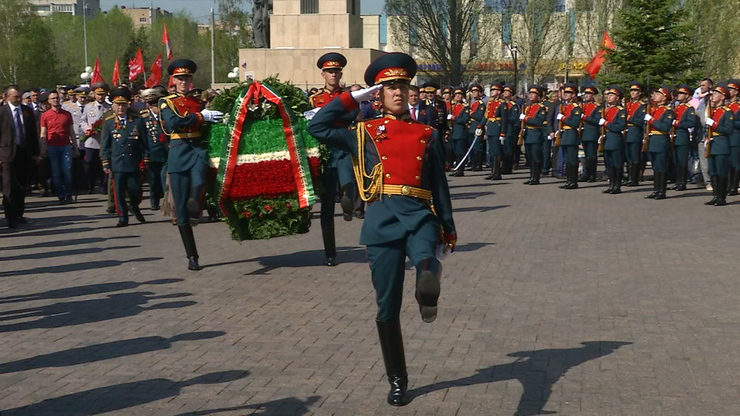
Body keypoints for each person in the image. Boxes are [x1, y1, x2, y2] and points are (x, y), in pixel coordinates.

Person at [307, 52, 456, 407]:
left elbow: (439, 184)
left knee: (425, 261)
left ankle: (427, 288)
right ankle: (398, 379)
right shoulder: (362, 133)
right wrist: (351, 97)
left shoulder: (427, 133)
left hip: (420, 213)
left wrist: (448, 227)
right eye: (390, 87)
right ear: (379, 93)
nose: (399, 92)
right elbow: (317, 127)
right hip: (382, 219)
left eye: (403, 85)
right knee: (386, 306)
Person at [160, 59, 223, 270]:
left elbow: (207, 125)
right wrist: (200, 117)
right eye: (180, 78)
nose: (184, 82)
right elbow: (172, 123)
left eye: (187, 78)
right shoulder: (166, 102)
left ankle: (197, 205)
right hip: (179, 151)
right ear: (174, 81)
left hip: (197, 149)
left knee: (198, 184)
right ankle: (192, 256)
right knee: (181, 212)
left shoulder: (198, 101)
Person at [308, 52, 357, 264]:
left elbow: (350, 115)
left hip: (343, 147)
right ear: (323, 74)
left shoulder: (347, 97)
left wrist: (325, 114)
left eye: (336, 71)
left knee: (348, 188)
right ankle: (330, 252)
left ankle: (349, 206)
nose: (333, 75)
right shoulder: (313, 99)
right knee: (326, 206)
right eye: (329, 71)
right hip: (325, 152)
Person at [101, 87, 149, 227]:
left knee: (135, 189)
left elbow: (144, 142)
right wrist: (105, 162)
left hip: (133, 161)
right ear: (113, 106)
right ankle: (123, 217)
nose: (120, 108)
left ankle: (134, 206)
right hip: (117, 163)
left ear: (128, 105)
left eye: (123, 104)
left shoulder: (137, 121)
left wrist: (146, 158)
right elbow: (105, 144)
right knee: (119, 192)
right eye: (117, 105)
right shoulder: (109, 122)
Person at [1, 85, 40, 228]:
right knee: (9, 186)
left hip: (24, 153)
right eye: (15, 97)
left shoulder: (27, 111)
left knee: (22, 186)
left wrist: (36, 153)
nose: (18, 99)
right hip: (7, 155)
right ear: (6, 97)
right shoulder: (2, 113)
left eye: (19, 96)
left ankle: (19, 214)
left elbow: (32, 134)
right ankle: (10, 217)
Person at [39, 91, 76, 204]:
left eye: (56, 98)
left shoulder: (66, 114)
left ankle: (69, 194)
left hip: (65, 146)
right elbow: (43, 133)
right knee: (56, 173)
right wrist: (42, 148)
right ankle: (60, 195)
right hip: (52, 147)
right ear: (49, 101)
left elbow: (71, 132)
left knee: (67, 171)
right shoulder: (45, 115)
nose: (55, 100)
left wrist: (75, 146)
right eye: (53, 98)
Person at [703, 84, 734, 206]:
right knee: (713, 171)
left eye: (715, 94)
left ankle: (722, 197)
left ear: (722, 97)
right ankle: (715, 196)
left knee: (721, 171)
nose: (713, 96)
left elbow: (729, 130)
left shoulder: (727, 112)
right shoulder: (713, 110)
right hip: (712, 143)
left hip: (721, 144)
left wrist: (714, 124)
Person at [140, 86, 169, 211]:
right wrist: (145, 154)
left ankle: (167, 202)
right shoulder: (144, 118)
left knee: (165, 179)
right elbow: (143, 137)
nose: (158, 109)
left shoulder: (164, 117)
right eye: (156, 106)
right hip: (151, 154)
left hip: (165, 152)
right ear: (151, 106)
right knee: (153, 180)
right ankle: (154, 201)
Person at [643, 86, 674, 200]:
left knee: (661, 167)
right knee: (655, 168)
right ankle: (656, 190)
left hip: (661, 141)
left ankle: (662, 191)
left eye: (658, 94)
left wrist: (651, 120)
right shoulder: (653, 109)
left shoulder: (668, 111)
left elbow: (665, 127)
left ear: (664, 97)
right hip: (652, 141)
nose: (654, 95)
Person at [81, 82, 111, 197]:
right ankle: (90, 185)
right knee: (89, 163)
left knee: (102, 164)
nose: (100, 97)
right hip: (91, 140)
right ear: (94, 95)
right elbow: (83, 121)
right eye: (98, 94)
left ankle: (103, 186)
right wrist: (87, 128)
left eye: (102, 94)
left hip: (103, 140)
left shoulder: (108, 107)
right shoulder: (89, 106)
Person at [600, 86, 627, 194]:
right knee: (609, 164)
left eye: (612, 95)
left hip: (615, 140)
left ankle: (617, 185)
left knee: (617, 164)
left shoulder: (620, 111)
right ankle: (611, 184)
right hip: (607, 139)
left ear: (617, 98)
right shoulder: (607, 109)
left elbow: (620, 127)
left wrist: (606, 124)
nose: (609, 97)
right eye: (608, 95)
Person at [556, 83, 583, 189]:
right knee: (567, 161)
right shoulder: (565, 107)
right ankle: (568, 181)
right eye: (565, 92)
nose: (566, 94)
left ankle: (573, 182)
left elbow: (575, 123)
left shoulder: (576, 108)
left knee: (572, 160)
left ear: (574, 95)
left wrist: (563, 119)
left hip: (572, 135)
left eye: (569, 92)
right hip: (565, 135)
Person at [671, 84, 697, 191]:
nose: (679, 95)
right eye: (679, 93)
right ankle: (678, 181)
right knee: (676, 161)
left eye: (682, 93)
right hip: (674, 136)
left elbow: (691, 123)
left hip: (682, 136)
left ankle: (682, 182)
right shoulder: (676, 107)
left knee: (682, 161)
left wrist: (677, 123)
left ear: (687, 96)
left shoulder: (689, 108)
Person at [521, 86, 548, 185]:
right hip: (528, 134)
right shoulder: (528, 107)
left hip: (536, 135)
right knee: (530, 158)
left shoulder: (541, 108)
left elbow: (538, 122)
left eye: (534, 94)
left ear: (538, 96)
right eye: (530, 93)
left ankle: (536, 178)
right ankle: (531, 176)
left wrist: (526, 119)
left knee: (536, 158)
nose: (531, 95)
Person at [624, 82, 647, 186]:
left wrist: (630, 118)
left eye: (635, 91)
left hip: (635, 133)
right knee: (628, 158)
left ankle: (635, 179)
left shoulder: (642, 106)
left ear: (640, 93)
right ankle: (629, 177)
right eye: (632, 91)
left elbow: (641, 121)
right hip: (627, 133)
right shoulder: (628, 105)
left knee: (635, 158)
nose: (633, 93)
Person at [483, 83, 505, 180]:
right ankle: (492, 171)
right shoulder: (489, 102)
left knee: (497, 152)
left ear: (499, 92)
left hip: (497, 127)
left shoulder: (502, 103)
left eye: (494, 90)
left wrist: (503, 132)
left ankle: (497, 173)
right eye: (491, 90)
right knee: (491, 151)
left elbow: (504, 119)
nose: (492, 91)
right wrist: (480, 126)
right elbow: (486, 116)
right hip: (491, 127)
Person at [581, 86, 601, 182]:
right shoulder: (582, 106)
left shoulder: (597, 107)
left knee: (592, 156)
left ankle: (592, 175)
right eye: (586, 94)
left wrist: (585, 117)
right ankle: (586, 174)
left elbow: (597, 120)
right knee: (585, 155)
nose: (587, 96)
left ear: (593, 95)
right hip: (583, 133)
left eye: (589, 94)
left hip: (592, 133)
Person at [448, 87, 469, 177]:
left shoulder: (465, 108)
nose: (458, 96)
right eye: (456, 95)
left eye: (460, 95)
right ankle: (457, 168)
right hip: (454, 132)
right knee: (455, 152)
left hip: (461, 132)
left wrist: (454, 118)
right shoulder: (452, 107)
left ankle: (461, 170)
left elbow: (464, 120)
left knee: (460, 152)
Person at [501, 85, 520, 174]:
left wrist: (504, 118)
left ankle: (508, 168)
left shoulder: (513, 105)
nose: (505, 93)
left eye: (507, 91)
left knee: (508, 149)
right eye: (504, 91)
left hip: (509, 129)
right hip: (501, 128)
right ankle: (502, 166)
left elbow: (514, 118)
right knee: (502, 149)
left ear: (511, 94)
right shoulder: (501, 103)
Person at [725, 79, 740, 196]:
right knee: (727, 163)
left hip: (735, 137)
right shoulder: (725, 106)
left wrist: (730, 123)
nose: (728, 91)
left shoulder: (738, 107)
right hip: (725, 138)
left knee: (735, 163)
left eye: (730, 89)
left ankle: (734, 187)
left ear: (736, 92)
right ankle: (728, 185)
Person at [467, 84, 486, 171]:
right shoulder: (472, 103)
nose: (474, 93)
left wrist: (472, 114)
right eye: (472, 91)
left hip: (477, 126)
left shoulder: (481, 104)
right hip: (471, 127)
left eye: (476, 91)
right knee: (472, 147)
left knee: (478, 147)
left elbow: (480, 116)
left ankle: (478, 164)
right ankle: (473, 164)